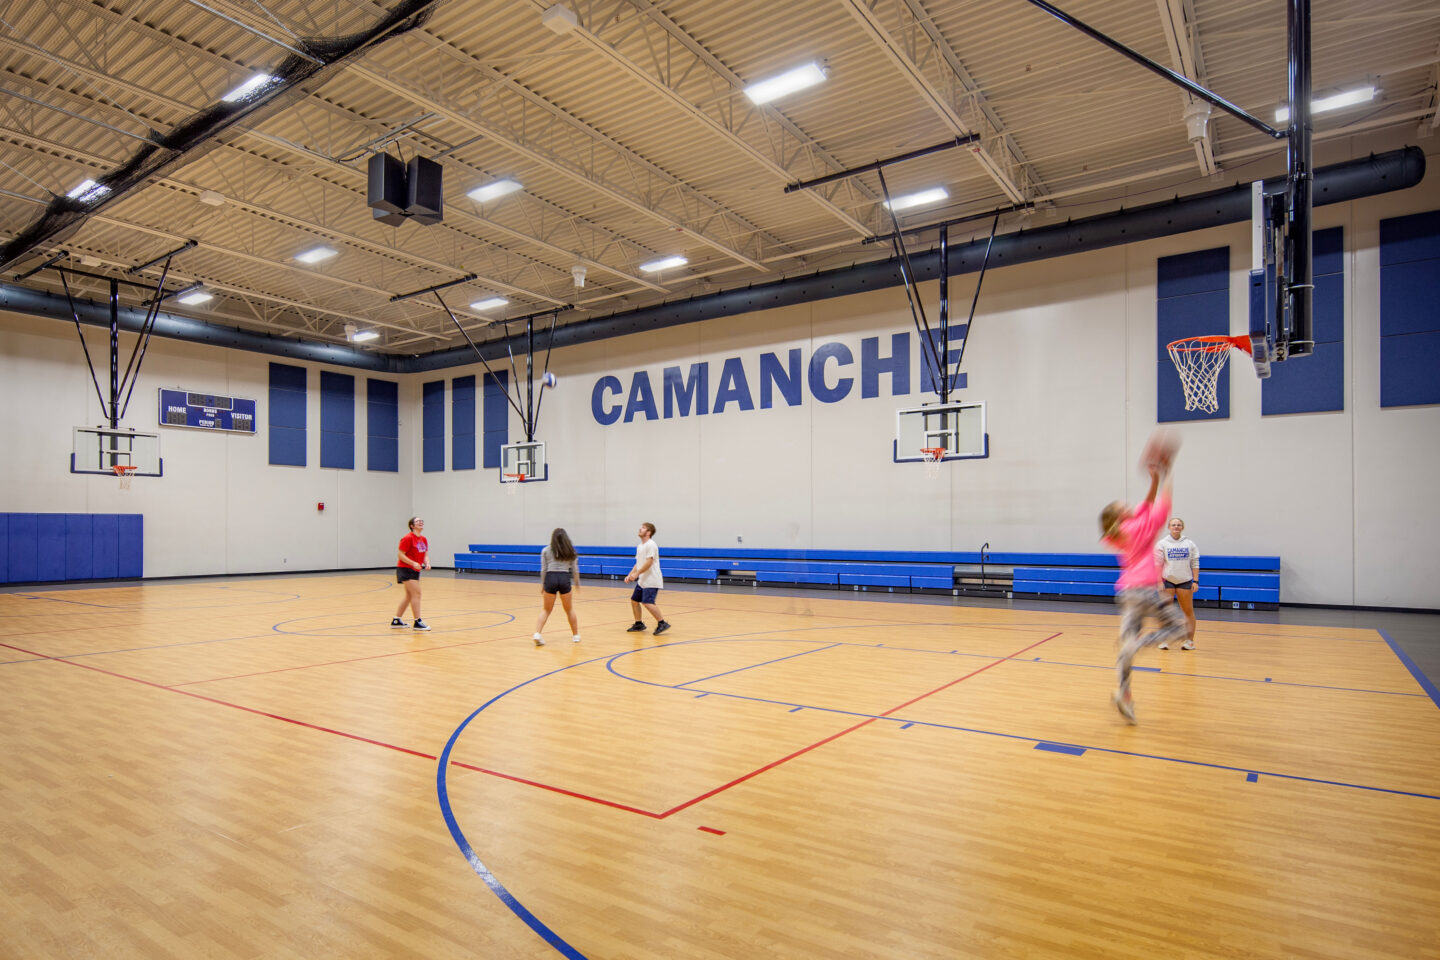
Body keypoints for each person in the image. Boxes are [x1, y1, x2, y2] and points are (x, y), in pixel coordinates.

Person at [1099, 463, 1187, 724]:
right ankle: (1138, 644)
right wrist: (1168, 475)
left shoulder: (1116, 534)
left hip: (1126, 594)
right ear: (1121, 515)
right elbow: (1162, 506)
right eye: (1123, 505)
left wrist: (1153, 482)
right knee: (1179, 629)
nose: (1129, 504)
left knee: (1124, 651)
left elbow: (1146, 506)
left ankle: (1124, 695)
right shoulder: (1141, 527)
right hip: (1145, 591)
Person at [1155, 517, 1200, 650]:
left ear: (1182, 527)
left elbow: (1195, 563)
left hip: (1184, 581)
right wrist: (1158, 581)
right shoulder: (1162, 544)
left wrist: (1195, 581)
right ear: (1169, 527)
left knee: (1188, 611)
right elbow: (1158, 564)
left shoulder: (1189, 544)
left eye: (1179, 525)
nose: (1176, 527)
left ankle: (1189, 641)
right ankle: (1163, 640)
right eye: (1173, 525)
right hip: (1167, 581)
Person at [533, 528, 581, 646]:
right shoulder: (571, 551)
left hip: (550, 577)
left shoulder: (545, 550)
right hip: (564, 578)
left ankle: (537, 634)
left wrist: (543, 584)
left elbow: (543, 569)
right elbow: (575, 570)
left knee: (546, 610)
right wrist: (577, 583)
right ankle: (575, 636)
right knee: (569, 609)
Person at [624, 522, 670, 635]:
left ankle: (662, 623)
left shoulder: (651, 545)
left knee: (647, 602)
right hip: (643, 580)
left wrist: (637, 573)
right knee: (634, 600)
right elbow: (638, 563)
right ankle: (639, 624)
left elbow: (649, 562)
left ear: (648, 532)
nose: (640, 528)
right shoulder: (640, 546)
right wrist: (630, 574)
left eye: (643, 528)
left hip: (651, 579)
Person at [392, 517, 431, 630]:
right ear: (412, 526)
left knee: (410, 595)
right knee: (417, 593)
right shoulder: (407, 538)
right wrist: (413, 563)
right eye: (417, 521)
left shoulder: (423, 539)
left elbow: (425, 554)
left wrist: (427, 563)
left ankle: (397, 619)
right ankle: (417, 621)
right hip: (405, 569)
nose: (421, 523)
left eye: (422, 521)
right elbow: (400, 555)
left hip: (415, 570)